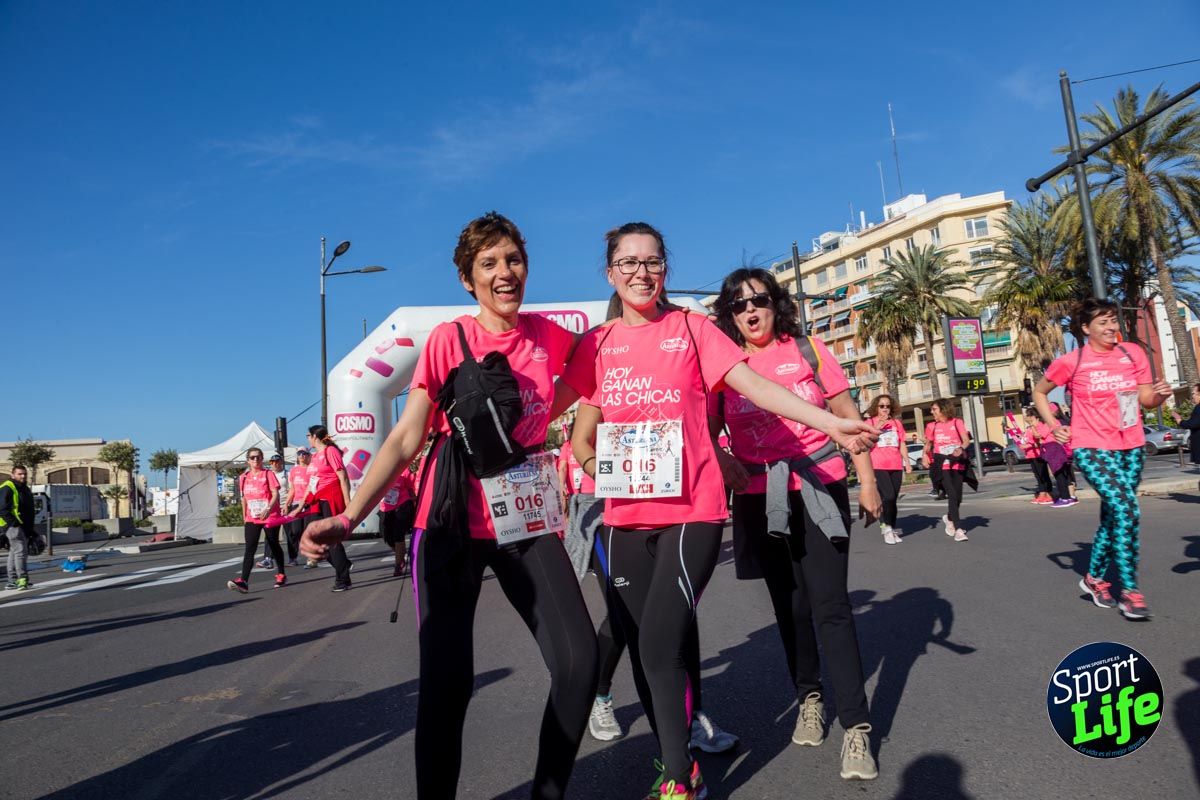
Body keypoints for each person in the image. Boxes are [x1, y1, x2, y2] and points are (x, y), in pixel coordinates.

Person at [564, 223, 878, 799]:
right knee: (649, 645)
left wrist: (831, 423)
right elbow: (560, 420)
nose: (641, 272)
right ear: (610, 273)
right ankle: (679, 759)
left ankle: (679, 777)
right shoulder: (596, 345)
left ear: (666, 270)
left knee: (661, 643)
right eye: (628, 262)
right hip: (626, 517)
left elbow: (755, 387)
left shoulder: (693, 329)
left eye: (652, 261)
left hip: (693, 511)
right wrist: (597, 468)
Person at [302, 212, 597, 800]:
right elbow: (406, 438)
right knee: (447, 685)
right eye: (489, 264)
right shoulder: (448, 339)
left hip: (526, 521)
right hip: (449, 525)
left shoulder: (551, 338)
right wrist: (350, 516)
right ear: (467, 279)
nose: (504, 272)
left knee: (579, 662)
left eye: (513, 260)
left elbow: (603, 372)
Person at [709, 267, 882, 782]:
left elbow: (847, 415)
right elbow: (706, 430)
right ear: (729, 314)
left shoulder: (808, 350)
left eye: (760, 300)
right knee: (790, 608)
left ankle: (856, 727)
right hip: (759, 497)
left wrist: (868, 482)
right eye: (739, 304)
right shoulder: (724, 368)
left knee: (831, 606)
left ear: (775, 303)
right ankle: (809, 697)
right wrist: (723, 459)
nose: (751, 310)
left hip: (818, 485)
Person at [1035, 298, 1172, 620]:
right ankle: (1130, 592)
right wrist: (1055, 426)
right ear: (1086, 328)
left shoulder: (1132, 353)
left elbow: (1146, 399)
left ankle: (1094, 579)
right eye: (1103, 322)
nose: (1111, 327)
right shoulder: (1072, 361)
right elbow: (1040, 392)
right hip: (1092, 446)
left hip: (1132, 445)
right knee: (1127, 510)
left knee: (1114, 517)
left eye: (1113, 320)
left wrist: (1159, 395)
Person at [302, 425, 354, 592]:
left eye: (308, 435)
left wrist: (348, 502)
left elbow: (342, 476)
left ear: (315, 437)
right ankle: (344, 564)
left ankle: (343, 579)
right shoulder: (315, 456)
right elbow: (312, 482)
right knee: (315, 538)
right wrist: (300, 505)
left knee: (332, 540)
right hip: (317, 501)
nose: (307, 438)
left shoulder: (330, 451)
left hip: (331, 498)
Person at [227, 447, 286, 592]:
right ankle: (243, 581)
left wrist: (268, 509)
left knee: (273, 544)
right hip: (252, 517)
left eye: (258, 457)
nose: (255, 460)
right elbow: (244, 498)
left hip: (269, 515)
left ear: (262, 459)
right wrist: (244, 517)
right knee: (250, 548)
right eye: (252, 457)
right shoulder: (243, 477)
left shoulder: (268, 474)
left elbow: (275, 494)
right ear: (248, 460)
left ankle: (281, 574)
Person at [865, 393, 910, 545]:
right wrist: (878, 426)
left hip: (896, 464)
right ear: (876, 408)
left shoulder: (897, 423)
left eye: (888, 406)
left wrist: (907, 462)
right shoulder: (870, 422)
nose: (885, 409)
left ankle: (890, 526)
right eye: (882, 406)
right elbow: (865, 441)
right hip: (878, 465)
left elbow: (902, 443)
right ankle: (887, 527)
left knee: (893, 499)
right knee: (888, 496)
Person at [924, 399, 971, 541]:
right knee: (951, 494)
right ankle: (958, 529)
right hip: (941, 463)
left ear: (943, 409)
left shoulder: (957, 422)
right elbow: (928, 444)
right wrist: (924, 456)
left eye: (934, 409)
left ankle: (949, 518)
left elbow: (966, 440)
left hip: (957, 462)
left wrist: (960, 448)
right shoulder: (932, 426)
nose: (931, 412)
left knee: (958, 497)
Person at [1, 466, 36, 590]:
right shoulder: (7, 487)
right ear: (12, 475)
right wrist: (14, 523)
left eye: (24, 474)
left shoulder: (24, 488)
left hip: (22, 526)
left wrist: (30, 528)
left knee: (14, 552)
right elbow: (2, 508)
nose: (23, 476)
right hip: (13, 526)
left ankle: (12, 580)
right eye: (20, 474)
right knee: (21, 552)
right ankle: (22, 578)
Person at [378, 463, 416, 577]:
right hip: (385, 507)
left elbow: (410, 489)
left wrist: (415, 502)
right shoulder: (380, 470)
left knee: (398, 536)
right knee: (386, 536)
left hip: (402, 504)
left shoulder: (404, 470)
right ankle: (400, 554)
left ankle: (398, 565)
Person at [256, 453, 290, 567]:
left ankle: (292, 557)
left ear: (281, 462)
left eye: (277, 461)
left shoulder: (287, 474)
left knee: (291, 534)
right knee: (270, 535)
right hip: (272, 509)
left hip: (284, 506)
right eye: (272, 462)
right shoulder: (266, 474)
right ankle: (268, 558)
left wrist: (287, 504)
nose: (275, 464)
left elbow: (291, 490)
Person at [284, 447, 313, 567]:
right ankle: (293, 558)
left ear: (308, 455)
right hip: (296, 503)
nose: (301, 456)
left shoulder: (312, 469)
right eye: (299, 453)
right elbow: (292, 489)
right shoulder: (293, 471)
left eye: (304, 453)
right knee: (295, 531)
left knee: (308, 531)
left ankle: (311, 557)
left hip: (309, 503)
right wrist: (286, 504)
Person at [1022, 408, 1053, 504]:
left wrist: (1028, 445)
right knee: (1038, 475)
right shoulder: (1029, 427)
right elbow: (1027, 439)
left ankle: (1049, 493)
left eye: (1028, 415)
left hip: (1039, 453)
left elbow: (1039, 439)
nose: (1026, 417)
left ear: (1033, 416)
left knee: (1043, 475)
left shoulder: (1040, 425)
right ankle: (1042, 493)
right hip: (1030, 454)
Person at [1170, 383, 1200, 485]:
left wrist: (1180, 421)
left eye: (1194, 393)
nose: (1192, 396)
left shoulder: (1198, 408)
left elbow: (1194, 423)